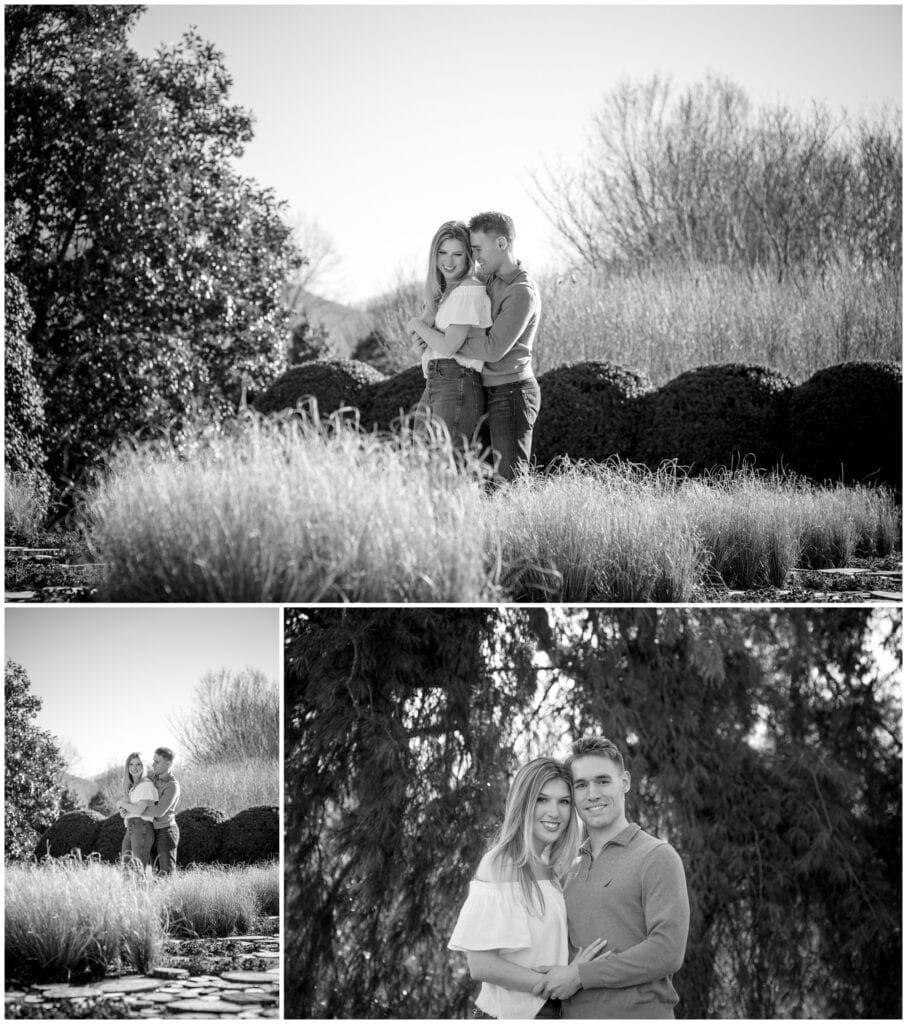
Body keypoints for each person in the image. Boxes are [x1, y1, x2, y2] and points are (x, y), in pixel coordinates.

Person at [532, 737, 690, 1019]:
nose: (592, 794)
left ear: (625, 782)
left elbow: (667, 951)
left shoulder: (656, 856)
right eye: (581, 785)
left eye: (603, 781)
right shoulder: (568, 868)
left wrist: (580, 976)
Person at [448, 758, 607, 1019]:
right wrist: (560, 982)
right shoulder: (500, 863)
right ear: (523, 803)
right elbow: (481, 965)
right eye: (542, 800)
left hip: (552, 1011)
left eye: (564, 802)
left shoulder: (549, 869)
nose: (554, 812)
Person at [419, 211, 541, 483]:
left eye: (477, 249)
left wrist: (446, 339)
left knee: (508, 481)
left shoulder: (521, 291)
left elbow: (493, 349)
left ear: (501, 244)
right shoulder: (487, 280)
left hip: (511, 392)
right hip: (484, 387)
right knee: (480, 480)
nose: (475, 256)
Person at [406, 220, 492, 451]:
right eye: (442, 253)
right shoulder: (446, 293)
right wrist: (421, 340)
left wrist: (416, 324)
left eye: (457, 254)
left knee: (444, 464)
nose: (448, 261)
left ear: (468, 257)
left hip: (457, 382)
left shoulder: (468, 290)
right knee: (422, 460)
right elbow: (424, 347)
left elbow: (448, 346)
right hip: (436, 380)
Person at [141, 746, 181, 874]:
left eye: (157, 762)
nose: (153, 765)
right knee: (155, 872)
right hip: (151, 830)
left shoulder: (172, 786)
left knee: (166, 873)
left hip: (166, 831)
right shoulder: (152, 777)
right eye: (153, 761)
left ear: (168, 764)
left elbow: (159, 811)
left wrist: (136, 810)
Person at [115, 752, 157, 871]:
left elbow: (139, 810)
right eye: (131, 764)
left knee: (138, 870)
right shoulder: (133, 787)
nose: (135, 767)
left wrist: (122, 804)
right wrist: (125, 814)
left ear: (143, 766)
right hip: (131, 827)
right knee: (126, 868)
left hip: (142, 827)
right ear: (127, 767)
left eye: (138, 764)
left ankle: (141, 890)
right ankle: (129, 891)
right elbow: (133, 810)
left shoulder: (146, 785)